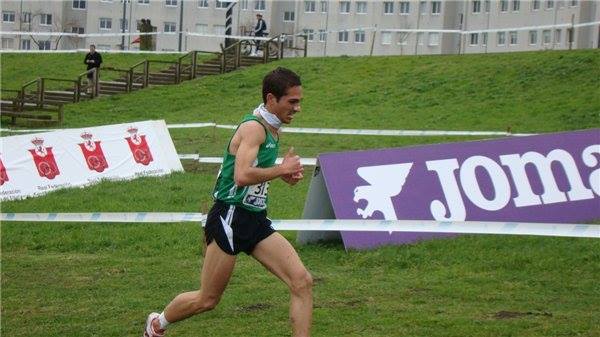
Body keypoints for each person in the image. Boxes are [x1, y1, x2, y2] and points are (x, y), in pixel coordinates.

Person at [143, 67, 313, 337]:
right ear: (272, 99)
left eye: (299, 101)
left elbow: (253, 176)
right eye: (292, 101)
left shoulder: (272, 129)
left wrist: (283, 176)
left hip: (255, 219)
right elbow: (242, 175)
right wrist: (281, 170)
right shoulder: (253, 129)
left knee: (302, 282)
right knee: (207, 300)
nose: (298, 108)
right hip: (229, 218)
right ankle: (156, 324)